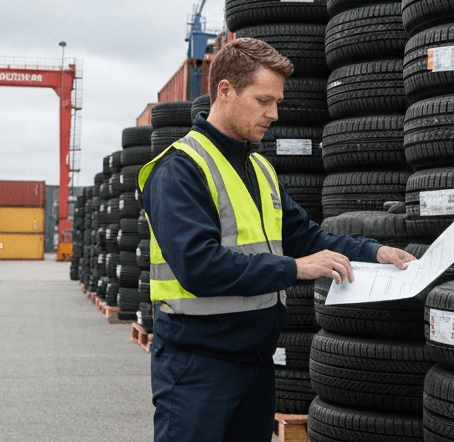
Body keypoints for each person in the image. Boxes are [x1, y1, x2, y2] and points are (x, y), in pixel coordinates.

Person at [140, 37, 415, 442]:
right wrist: (295, 269)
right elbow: (199, 266)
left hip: (253, 363)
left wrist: (375, 251)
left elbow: (306, 236)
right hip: (197, 365)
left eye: (277, 102)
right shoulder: (180, 169)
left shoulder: (259, 169)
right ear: (225, 90)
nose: (274, 114)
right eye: (263, 100)